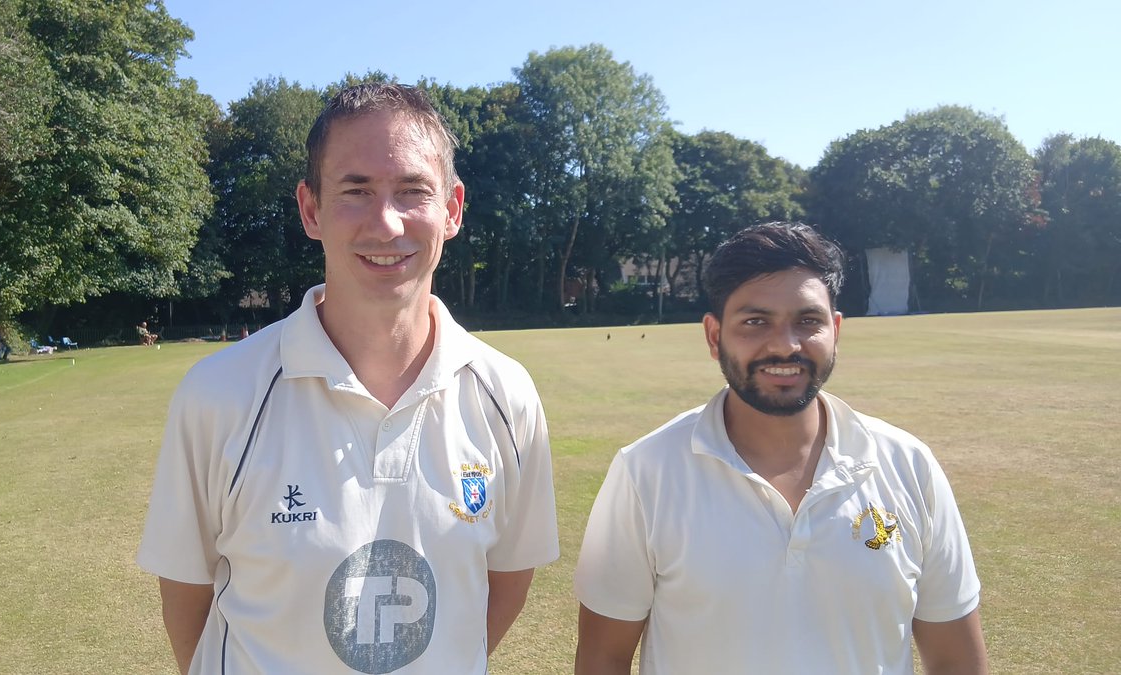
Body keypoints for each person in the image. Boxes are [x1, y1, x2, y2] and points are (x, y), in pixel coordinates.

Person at [137, 83, 559, 675]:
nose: (386, 224)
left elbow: (509, 578)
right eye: (355, 191)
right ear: (311, 209)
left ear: (453, 209)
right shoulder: (219, 393)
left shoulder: (506, 394)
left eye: (413, 191)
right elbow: (186, 594)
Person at [574, 222, 986, 674]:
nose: (785, 345)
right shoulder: (646, 471)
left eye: (808, 321)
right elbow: (604, 657)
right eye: (755, 322)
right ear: (714, 337)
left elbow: (954, 659)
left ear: (836, 330)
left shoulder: (908, 465)